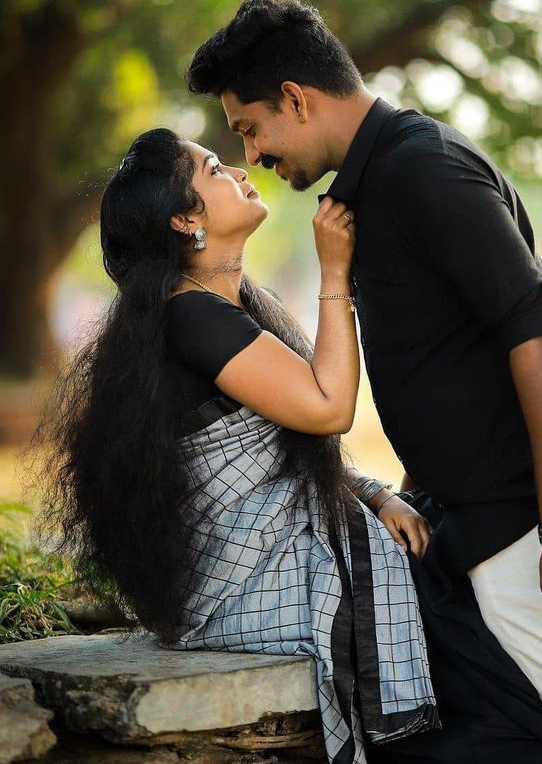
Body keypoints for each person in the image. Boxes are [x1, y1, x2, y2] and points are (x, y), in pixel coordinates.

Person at [184, 0, 542, 763]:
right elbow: (440, 361)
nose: (251, 155)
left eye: (249, 129)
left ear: (295, 98)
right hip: (487, 532)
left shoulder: (425, 168)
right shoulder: (366, 189)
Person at [29, 127, 441, 764]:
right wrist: (336, 272)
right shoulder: (191, 315)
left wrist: (375, 493)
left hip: (258, 572)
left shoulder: (227, 307)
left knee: (440, 553)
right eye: (216, 169)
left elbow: (293, 451)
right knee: (449, 597)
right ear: (185, 218)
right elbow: (329, 409)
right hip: (238, 591)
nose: (244, 173)